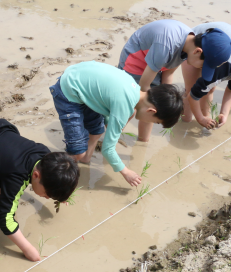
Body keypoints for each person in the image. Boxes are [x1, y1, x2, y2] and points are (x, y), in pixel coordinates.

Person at [0, 118, 79, 262]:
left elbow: (60, 176)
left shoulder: (47, 157)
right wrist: (27, 249)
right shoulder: (17, 177)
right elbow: (4, 219)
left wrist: (61, 194)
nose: (46, 198)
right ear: (36, 175)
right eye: (47, 195)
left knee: (3, 175)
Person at [50, 61, 183, 186]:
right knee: (77, 152)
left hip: (80, 80)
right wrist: (126, 172)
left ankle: (85, 160)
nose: (151, 123)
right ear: (151, 111)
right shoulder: (125, 105)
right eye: (156, 121)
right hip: (67, 91)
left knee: (97, 131)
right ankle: (55, 173)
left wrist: (111, 126)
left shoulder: (134, 89)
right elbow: (107, 150)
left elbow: (107, 103)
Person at [118, 19, 226, 141]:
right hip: (134, 61)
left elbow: (168, 72)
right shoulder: (166, 46)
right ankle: (111, 137)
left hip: (154, 66)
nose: (201, 69)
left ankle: (143, 141)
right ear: (197, 51)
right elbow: (144, 85)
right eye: (202, 65)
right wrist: (155, 103)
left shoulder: (188, 45)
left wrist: (167, 102)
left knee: (155, 107)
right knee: (134, 105)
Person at [181, 23, 231, 129]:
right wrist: (200, 119)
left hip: (220, 44)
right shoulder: (222, 68)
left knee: (210, 89)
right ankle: (184, 123)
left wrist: (224, 114)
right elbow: (193, 96)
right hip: (197, 44)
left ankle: (206, 117)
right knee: (191, 89)